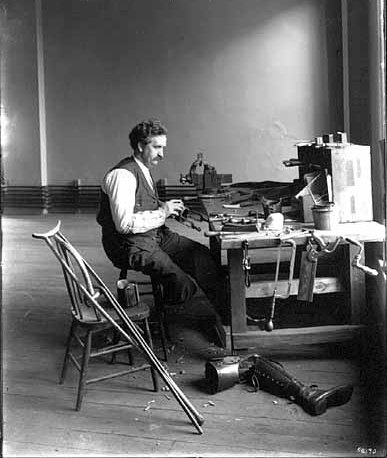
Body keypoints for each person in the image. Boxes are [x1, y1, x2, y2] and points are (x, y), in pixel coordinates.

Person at [96, 118, 227, 347]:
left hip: (153, 235)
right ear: (139, 146)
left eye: (163, 147)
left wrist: (167, 209)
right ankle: (154, 319)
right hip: (129, 245)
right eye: (157, 147)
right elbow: (124, 225)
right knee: (182, 285)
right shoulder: (122, 176)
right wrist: (162, 212)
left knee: (201, 256)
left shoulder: (143, 169)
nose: (162, 154)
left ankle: (224, 315)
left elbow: (142, 205)